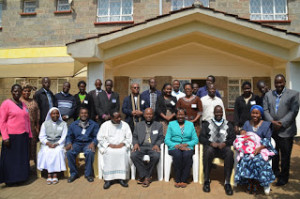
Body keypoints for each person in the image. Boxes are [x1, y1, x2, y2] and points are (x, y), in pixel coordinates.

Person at [263, 74, 299, 186]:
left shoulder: (294, 94)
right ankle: (275, 172)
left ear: (285, 82)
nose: (278, 85)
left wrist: (281, 123)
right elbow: (265, 110)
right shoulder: (268, 95)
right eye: (276, 82)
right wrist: (272, 122)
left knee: (285, 156)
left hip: (286, 131)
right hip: (273, 130)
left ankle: (284, 177)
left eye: (281, 82)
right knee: (274, 154)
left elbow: (293, 112)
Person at [234, 105, 277, 195]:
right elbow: (242, 133)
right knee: (246, 159)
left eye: (257, 113)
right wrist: (243, 133)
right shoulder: (247, 123)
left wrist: (259, 148)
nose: (255, 115)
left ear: (260, 114)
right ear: (251, 114)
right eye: (253, 113)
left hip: (261, 148)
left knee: (257, 160)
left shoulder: (266, 125)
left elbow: (268, 140)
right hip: (248, 149)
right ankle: (250, 182)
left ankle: (256, 183)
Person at [0, 84, 32, 186]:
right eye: (14, 91)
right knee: (11, 160)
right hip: (11, 137)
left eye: (18, 91)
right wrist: (5, 137)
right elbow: (2, 122)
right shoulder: (6, 104)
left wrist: (30, 135)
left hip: (23, 136)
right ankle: (10, 180)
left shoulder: (23, 105)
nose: (16, 93)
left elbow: (27, 121)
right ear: (11, 91)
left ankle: (21, 178)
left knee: (21, 159)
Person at [199, 105, 235, 195]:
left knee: (230, 153)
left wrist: (225, 143)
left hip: (223, 148)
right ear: (214, 113)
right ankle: (206, 180)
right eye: (217, 112)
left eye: (220, 112)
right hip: (211, 148)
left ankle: (227, 183)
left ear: (223, 113)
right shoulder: (206, 124)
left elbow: (233, 138)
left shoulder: (229, 124)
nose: (218, 114)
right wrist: (211, 143)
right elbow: (201, 138)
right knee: (208, 152)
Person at [165, 109, 199, 188]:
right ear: (176, 116)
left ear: (185, 116)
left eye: (182, 115)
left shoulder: (190, 124)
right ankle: (177, 179)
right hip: (174, 147)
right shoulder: (171, 124)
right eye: (178, 114)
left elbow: (195, 139)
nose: (180, 116)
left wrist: (187, 144)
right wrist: (176, 145)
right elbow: (167, 139)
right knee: (177, 155)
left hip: (187, 147)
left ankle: (184, 179)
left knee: (187, 155)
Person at [98, 112, 132, 189]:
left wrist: (123, 144)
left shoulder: (125, 125)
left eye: (120, 117)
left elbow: (129, 138)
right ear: (112, 118)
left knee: (122, 152)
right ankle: (108, 180)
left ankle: (121, 178)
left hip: (121, 146)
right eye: (117, 118)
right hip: (109, 146)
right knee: (109, 152)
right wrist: (109, 145)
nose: (119, 119)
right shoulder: (105, 125)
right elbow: (100, 138)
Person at [131, 108, 164, 187]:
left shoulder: (158, 125)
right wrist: (135, 143)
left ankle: (144, 176)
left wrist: (157, 144)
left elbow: (161, 137)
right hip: (141, 146)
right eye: (147, 114)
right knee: (134, 155)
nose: (148, 116)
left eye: (150, 114)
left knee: (156, 156)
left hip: (152, 146)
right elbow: (134, 136)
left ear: (153, 115)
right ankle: (146, 176)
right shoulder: (138, 125)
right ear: (144, 115)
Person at [66, 107, 99, 183]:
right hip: (77, 143)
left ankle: (88, 174)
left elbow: (97, 136)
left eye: (85, 113)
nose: (84, 114)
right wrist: (69, 143)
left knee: (90, 152)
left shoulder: (93, 124)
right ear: (79, 114)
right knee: (69, 152)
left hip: (88, 143)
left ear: (88, 114)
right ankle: (74, 174)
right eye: (82, 113)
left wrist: (93, 143)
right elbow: (69, 136)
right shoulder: (73, 124)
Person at [37, 107, 68, 185]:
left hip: (59, 144)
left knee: (57, 152)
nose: (55, 115)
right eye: (53, 113)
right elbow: (42, 136)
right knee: (46, 152)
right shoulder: (45, 124)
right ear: (50, 115)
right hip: (47, 144)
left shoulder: (63, 124)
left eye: (57, 113)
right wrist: (48, 143)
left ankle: (54, 175)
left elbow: (64, 136)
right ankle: (49, 174)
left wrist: (57, 144)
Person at [20, 82, 40, 164]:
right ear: (21, 91)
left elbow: (38, 115)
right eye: (25, 91)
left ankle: (34, 166)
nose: (27, 92)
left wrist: (37, 127)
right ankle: (23, 165)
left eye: (28, 91)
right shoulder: (19, 101)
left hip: (32, 128)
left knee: (33, 147)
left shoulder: (34, 102)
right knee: (23, 147)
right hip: (22, 128)